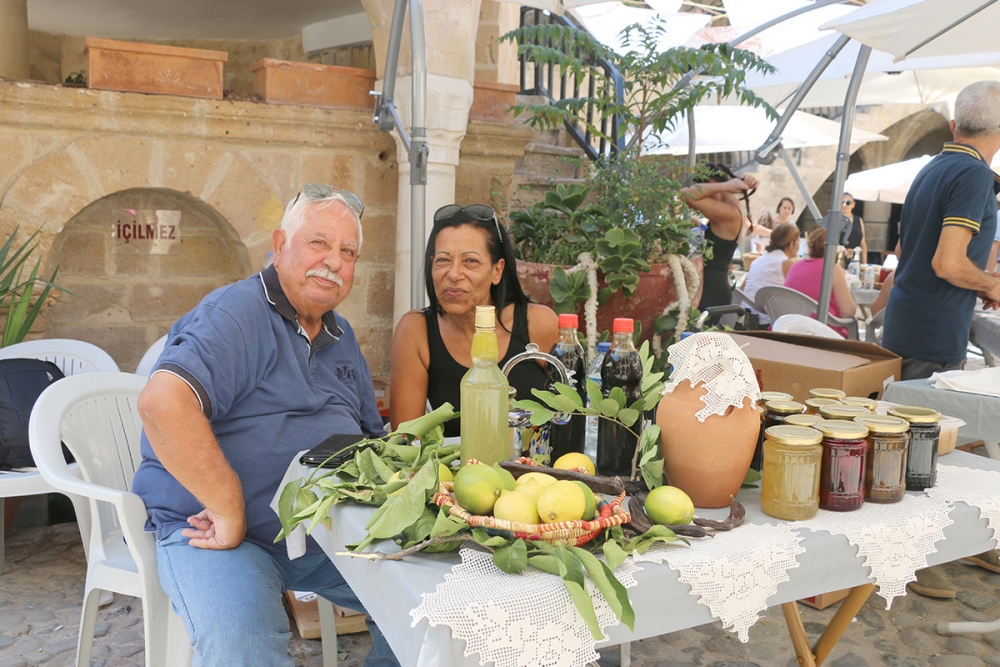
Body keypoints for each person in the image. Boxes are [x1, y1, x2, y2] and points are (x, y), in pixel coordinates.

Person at [131, 184, 399, 666]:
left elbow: (368, 437)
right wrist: (228, 507)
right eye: (319, 243)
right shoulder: (237, 313)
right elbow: (162, 403)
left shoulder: (340, 334)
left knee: (435, 605)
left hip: (326, 532)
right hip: (219, 533)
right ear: (280, 246)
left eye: (348, 251)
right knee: (244, 643)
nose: (334, 261)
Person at [880, 81, 1000, 597]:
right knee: (923, 449)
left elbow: (911, 251)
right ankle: (916, 555)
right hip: (932, 327)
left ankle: (951, 542)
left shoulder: (930, 167)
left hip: (908, 319)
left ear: (956, 125)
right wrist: (993, 283)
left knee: (907, 442)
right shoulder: (974, 176)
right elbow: (948, 263)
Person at [390, 204, 558, 438]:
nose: (454, 274)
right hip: (457, 472)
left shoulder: (538, 324)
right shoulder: (416, 331)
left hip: (537, 470)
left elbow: (572, 415)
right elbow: (406, 442)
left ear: (497, 270)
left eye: (470, 261)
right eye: (442, 260)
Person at [681, 164, 759, 311]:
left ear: (711, 183)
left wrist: (723, 186)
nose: (703, 195)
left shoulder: (729, 212)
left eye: (703, 188)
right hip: (713, 286)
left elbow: (686, 195)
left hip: (711, 290)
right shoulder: (730, 209)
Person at [784, 226, 857, 336]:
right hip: (822, 332)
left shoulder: (795, 266)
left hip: (791, 328)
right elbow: (848, 312)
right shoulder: (831, 268)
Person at [741, 223, 801, 324]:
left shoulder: (758, 261)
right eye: (798, 242)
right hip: (766, 323)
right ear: (791, 245)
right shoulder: (785, 264)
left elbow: (742, 289)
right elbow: (800, 294)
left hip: (744, 319)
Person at [841, 193, 868, 262]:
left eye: (848, 202)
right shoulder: (834, 220)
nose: (844, 205)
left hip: (855, 259)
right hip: (839, 259)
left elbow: (863, 243)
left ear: (853, 205)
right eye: (842, 202)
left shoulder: (859, 220)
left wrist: (864, 263)